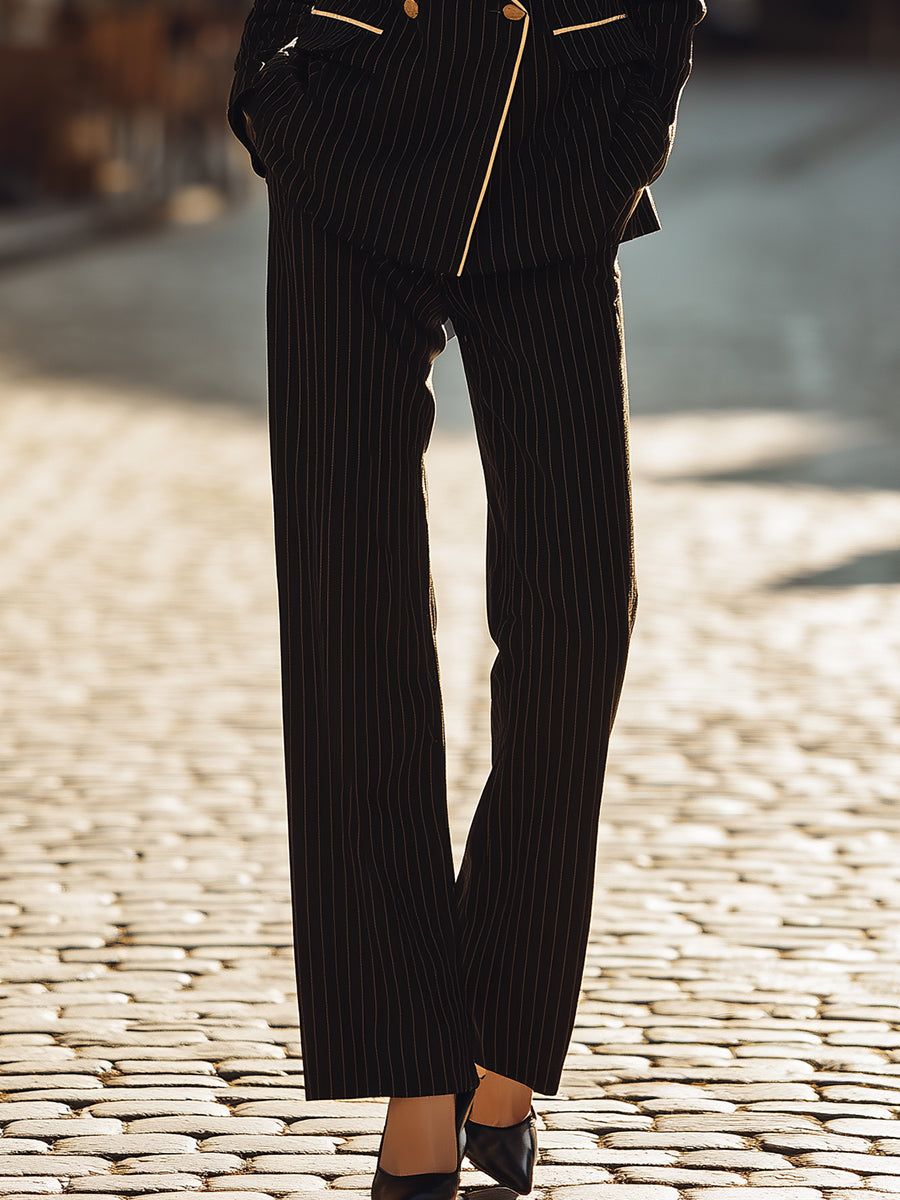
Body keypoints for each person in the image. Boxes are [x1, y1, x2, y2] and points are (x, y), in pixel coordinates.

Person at [226, 0, 705, 1196]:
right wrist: (274, 89)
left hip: (557, 135)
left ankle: (504, 1033)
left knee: (581, 608)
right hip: (350, 115)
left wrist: (637, 110)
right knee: (354, 613)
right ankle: (413, 1081)